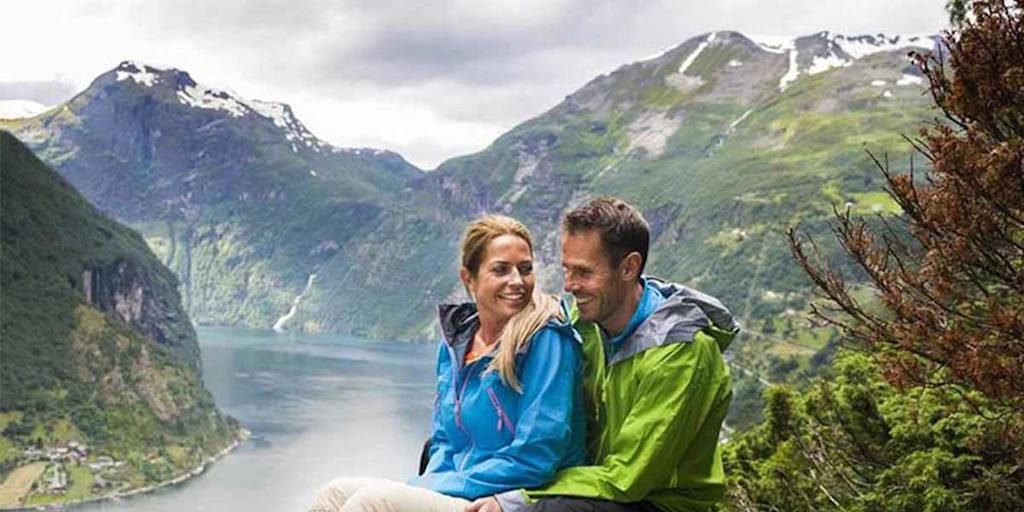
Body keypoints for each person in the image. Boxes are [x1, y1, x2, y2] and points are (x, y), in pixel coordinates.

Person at [468, 197, 740, 512]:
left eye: (583, 273)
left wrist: (519, 495)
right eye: (567, 270)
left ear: (629, 267)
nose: (570, 285)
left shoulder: (681, 354)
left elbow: (627, 478)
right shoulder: (586, 324)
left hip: (659, 502)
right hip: (593, 481)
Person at [310, 214, 587, 512]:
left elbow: (536, 455)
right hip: (458, 489)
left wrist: (433, 487)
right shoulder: (457, 342)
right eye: (501, 270)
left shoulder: (546, 338)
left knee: (372, 503)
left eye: (525, 269)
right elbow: (444, 440)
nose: (517, 281)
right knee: (333, 494)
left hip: (511, 499)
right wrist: (431, 484)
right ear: (469, 278)